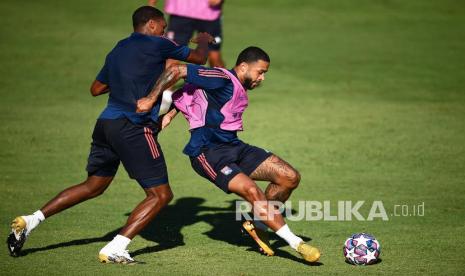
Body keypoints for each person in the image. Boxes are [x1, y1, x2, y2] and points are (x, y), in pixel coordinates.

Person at [7, 6, 213, 264]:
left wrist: (128, 80)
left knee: (93, 186)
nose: (164, 29)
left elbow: (96, 88)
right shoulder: (158, 44)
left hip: (106, 124)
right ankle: (116, 247)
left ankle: (30, 221)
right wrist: (205, 40)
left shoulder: (118, 49)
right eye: (162, 25)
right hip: (133, 127)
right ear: (150, 25)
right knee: (161, 195)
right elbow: (199, 58)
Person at [136, 46, 321, 263]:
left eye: (264, 74)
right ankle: (296, 243)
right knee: (252, 191)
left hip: (234, 146)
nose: (262, 78)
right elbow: (177, 71)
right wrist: (151, 99)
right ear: (243, 66)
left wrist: (172, 112)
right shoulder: (221, 77)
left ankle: (258, 224)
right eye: (260, 72)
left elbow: (191, 92)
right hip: (208, 153)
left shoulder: (233, 85)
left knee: (289, 177)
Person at [148, 0, 225, 68]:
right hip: (181, 11)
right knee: (172, 56)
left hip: (209, 13)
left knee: (214, 56)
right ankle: (160, 84)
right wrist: (151, 4)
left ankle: (227, 83)